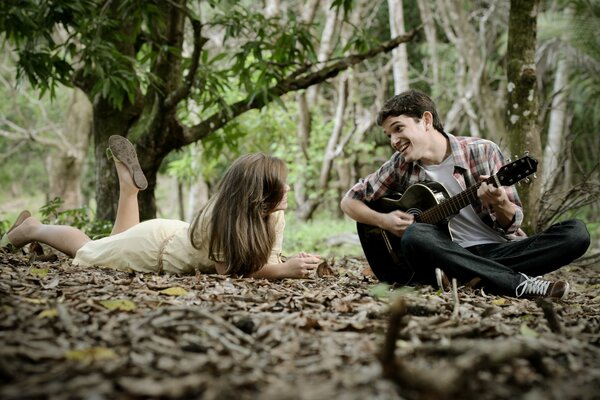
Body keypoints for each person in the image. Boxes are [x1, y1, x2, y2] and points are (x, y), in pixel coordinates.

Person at [340, 90, 590, 299]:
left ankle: (466, 278)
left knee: (576, 233)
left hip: (494, 251)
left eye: (398, 129)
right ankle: (518, 284)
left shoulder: (483, 151)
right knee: (416, 234)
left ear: (426, 120)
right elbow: (349, 201)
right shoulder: (400, 165)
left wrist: (500, 202)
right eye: (389, 135)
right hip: (443, 253)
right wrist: (384, 221)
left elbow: (513, 223)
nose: (394, 140)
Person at [1, 135, 320, 279]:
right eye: (282, 185)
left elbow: (271, 260)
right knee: (88, 250)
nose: (288, 188)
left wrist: (291, 264)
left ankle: (129, 191)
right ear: (257, 194)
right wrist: (283, 271)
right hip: (152, 248)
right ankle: (33, 229)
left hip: (174, 233)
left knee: (113, 239)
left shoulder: (273, 213)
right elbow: (229, 271)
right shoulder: (221, 216)